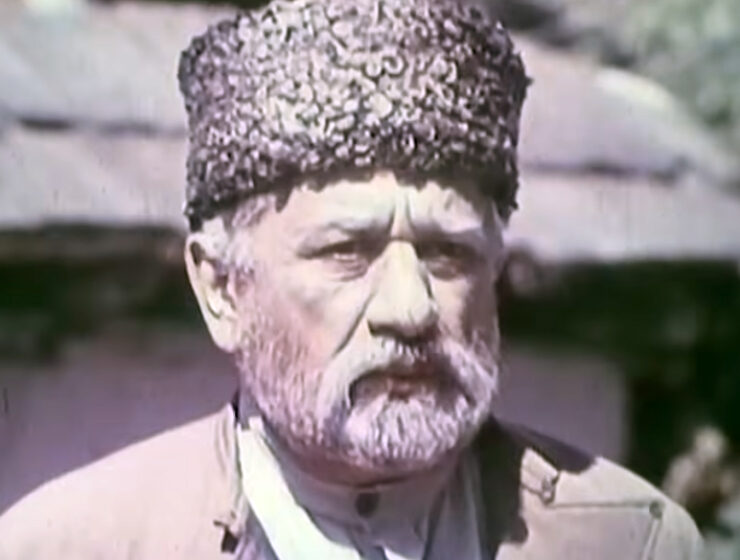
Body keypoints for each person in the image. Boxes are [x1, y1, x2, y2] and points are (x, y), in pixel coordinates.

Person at [0, 0, 703, 558]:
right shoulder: (70, 547)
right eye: (347, 252)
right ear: (220, 290)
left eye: (447, 253)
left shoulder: (632, 541)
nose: (410, 308)